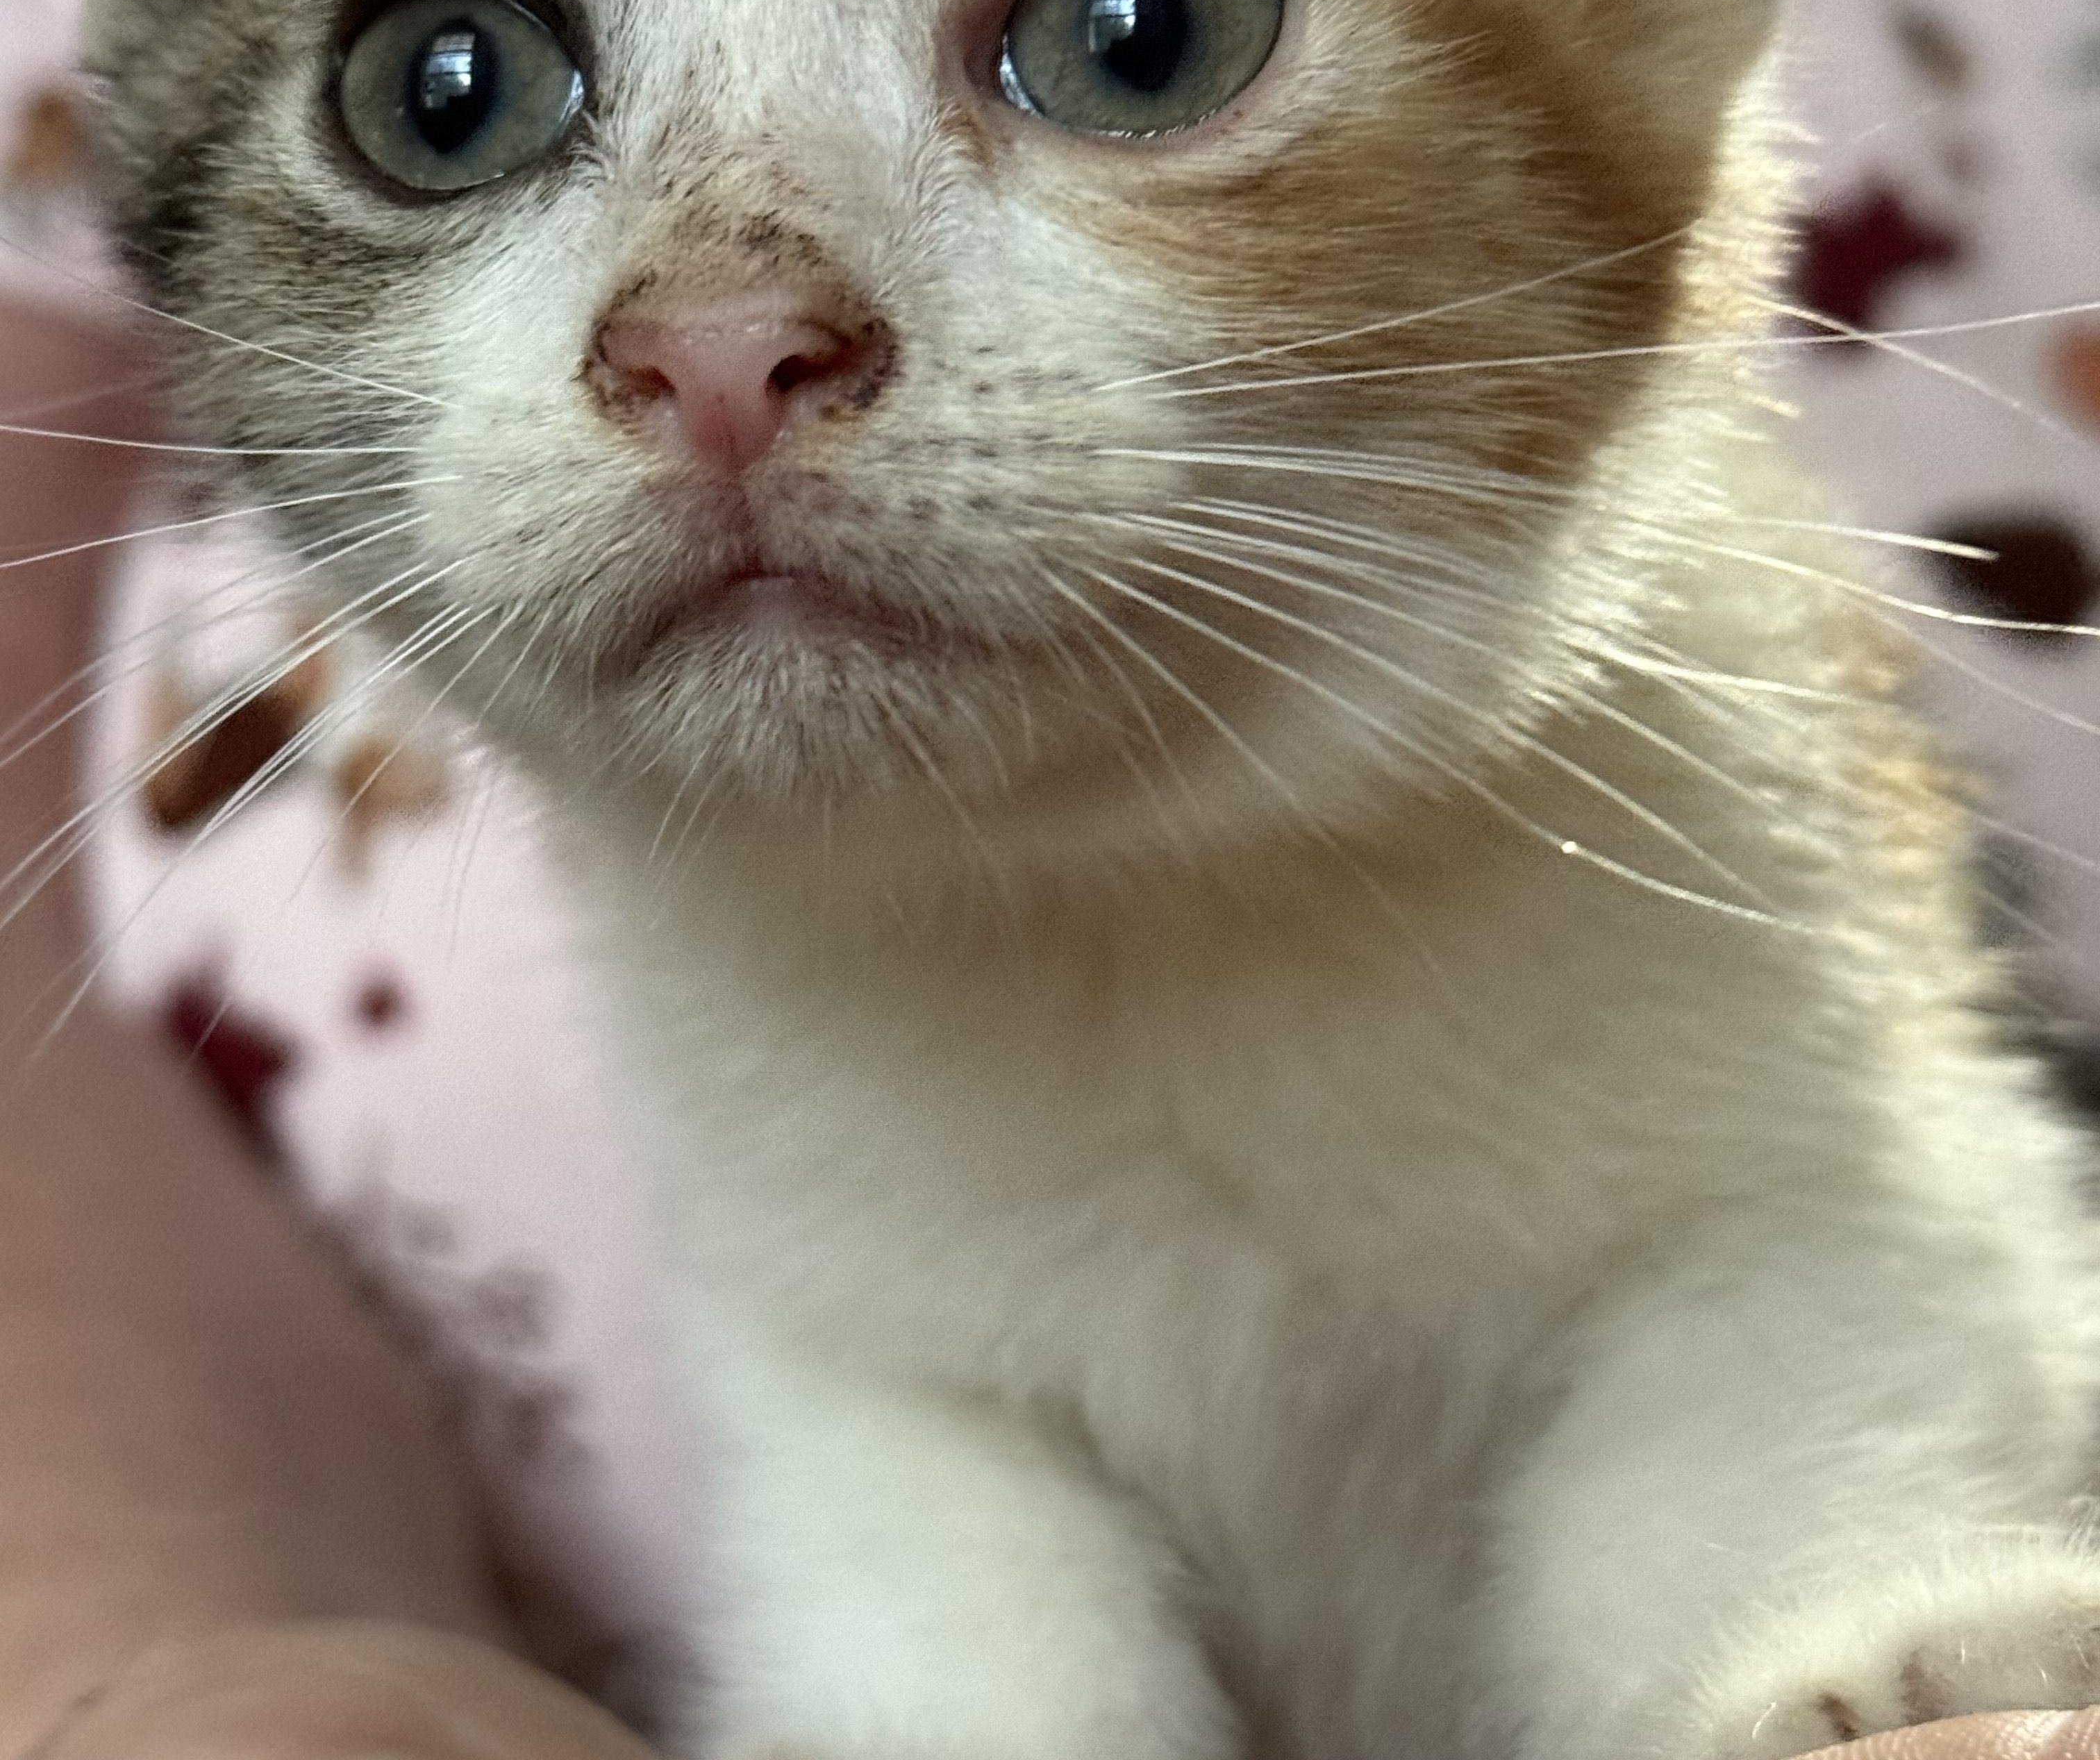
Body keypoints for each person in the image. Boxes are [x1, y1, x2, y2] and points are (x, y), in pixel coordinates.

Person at [0, 290, 2092, 1760]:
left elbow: (1787, 1231)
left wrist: (1770, 1655)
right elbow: (899, 1402)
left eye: (1130, 30)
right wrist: (178, 1670)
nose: (717, 339)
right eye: (458, 91)